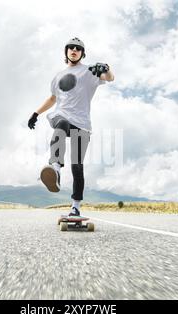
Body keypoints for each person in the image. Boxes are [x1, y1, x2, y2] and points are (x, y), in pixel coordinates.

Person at [27, 37, 114, 216]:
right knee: (61, 123)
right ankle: (56, 169)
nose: (74, 50)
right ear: (66, 52)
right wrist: (36, 113)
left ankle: (75, 206)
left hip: (82, 124)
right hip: (64, 116)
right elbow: (52, 99)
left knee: (77, 165)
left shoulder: (90, 71)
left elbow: (109, 78)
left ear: (82, 53)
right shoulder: (58, 76)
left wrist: (106, 67)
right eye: (71, 48)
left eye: (78, 48)